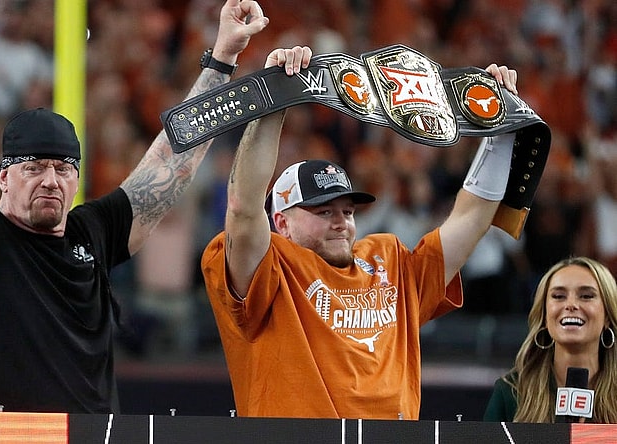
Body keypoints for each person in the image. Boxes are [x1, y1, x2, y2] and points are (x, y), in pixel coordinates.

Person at [0, 0, 269, 413]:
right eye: (34, 167)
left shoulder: (92, 232)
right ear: (3, 178)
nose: (51, 180)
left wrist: (223, 58)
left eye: (64, 169)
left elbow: (171, 163)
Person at [201, 46, 523, 419]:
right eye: (323, 211)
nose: (341, 221)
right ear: (281, 223)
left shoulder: (390, 260)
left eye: (348, 211)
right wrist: (275, 100)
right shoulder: (269, 268)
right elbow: (242, 207)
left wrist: (500, 128)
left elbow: (472, 219)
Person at [483, 257, 617, 423]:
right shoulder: (511, 392)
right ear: (545, 316)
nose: (571, 305)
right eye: (559, 296)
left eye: (586, 296)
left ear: (607, 317)